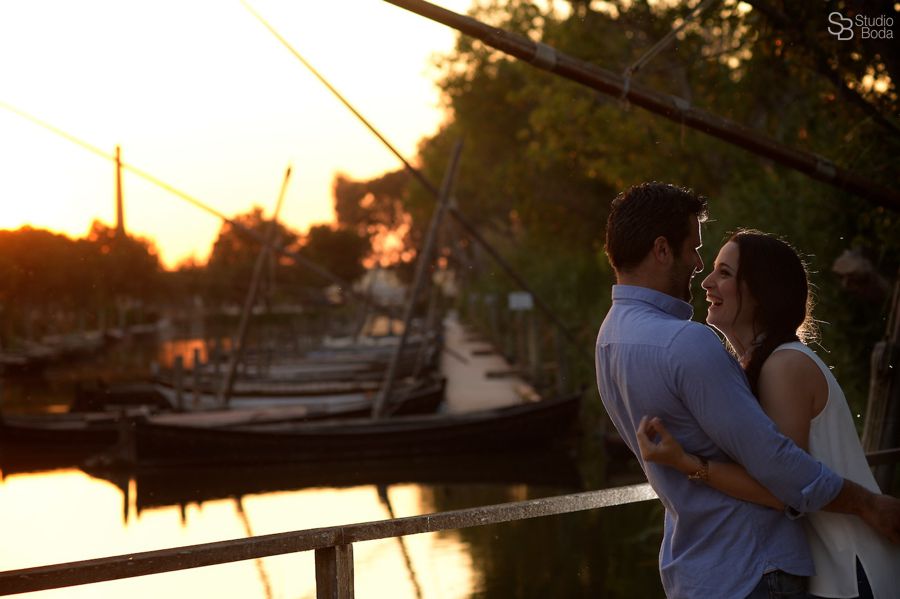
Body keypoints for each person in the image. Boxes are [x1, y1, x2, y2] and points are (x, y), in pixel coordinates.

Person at [594, 182, 900, 599]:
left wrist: (688, 463)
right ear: (662, 250)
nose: (699, 269)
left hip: (707, 571)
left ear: (759, 292)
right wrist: (868, 503)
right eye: (694, 251)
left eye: (724, 271)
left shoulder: (609, 341)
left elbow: (777, 471)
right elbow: (779, 475)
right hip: (752, 568)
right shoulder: (686, 343)